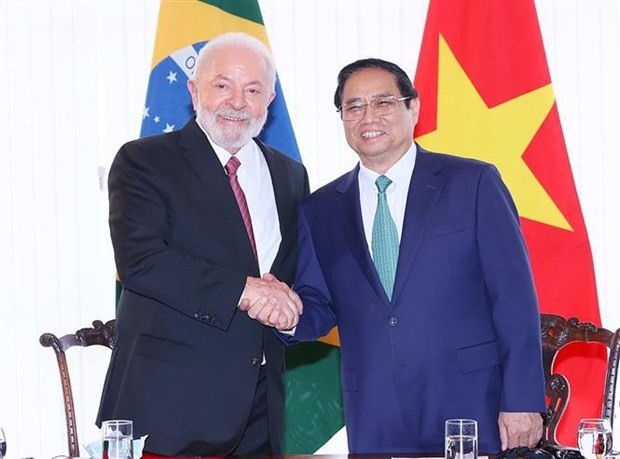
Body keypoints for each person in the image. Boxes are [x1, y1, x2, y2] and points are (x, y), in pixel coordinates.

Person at [279, 58, 546, 454]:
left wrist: (522, 400)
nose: (368, 116)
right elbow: (319, 305)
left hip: (470, 406)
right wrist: (283, 313)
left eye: (383, 102)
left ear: (413, 108)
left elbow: (514, 296)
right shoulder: (319, 209)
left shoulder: (472, 183)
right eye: (353, 107)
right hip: (375, 413)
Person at [96, 32, 308, 456]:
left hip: (261, 408)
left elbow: (294, 272)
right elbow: (142, 261)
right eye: (222, 84)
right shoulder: (144, 161)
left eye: (252, 90)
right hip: (169, 408)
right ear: (194, 91)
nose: (237, 101)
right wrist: (248, 290)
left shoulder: (290, 175)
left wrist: (291, 310)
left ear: (269, 100)